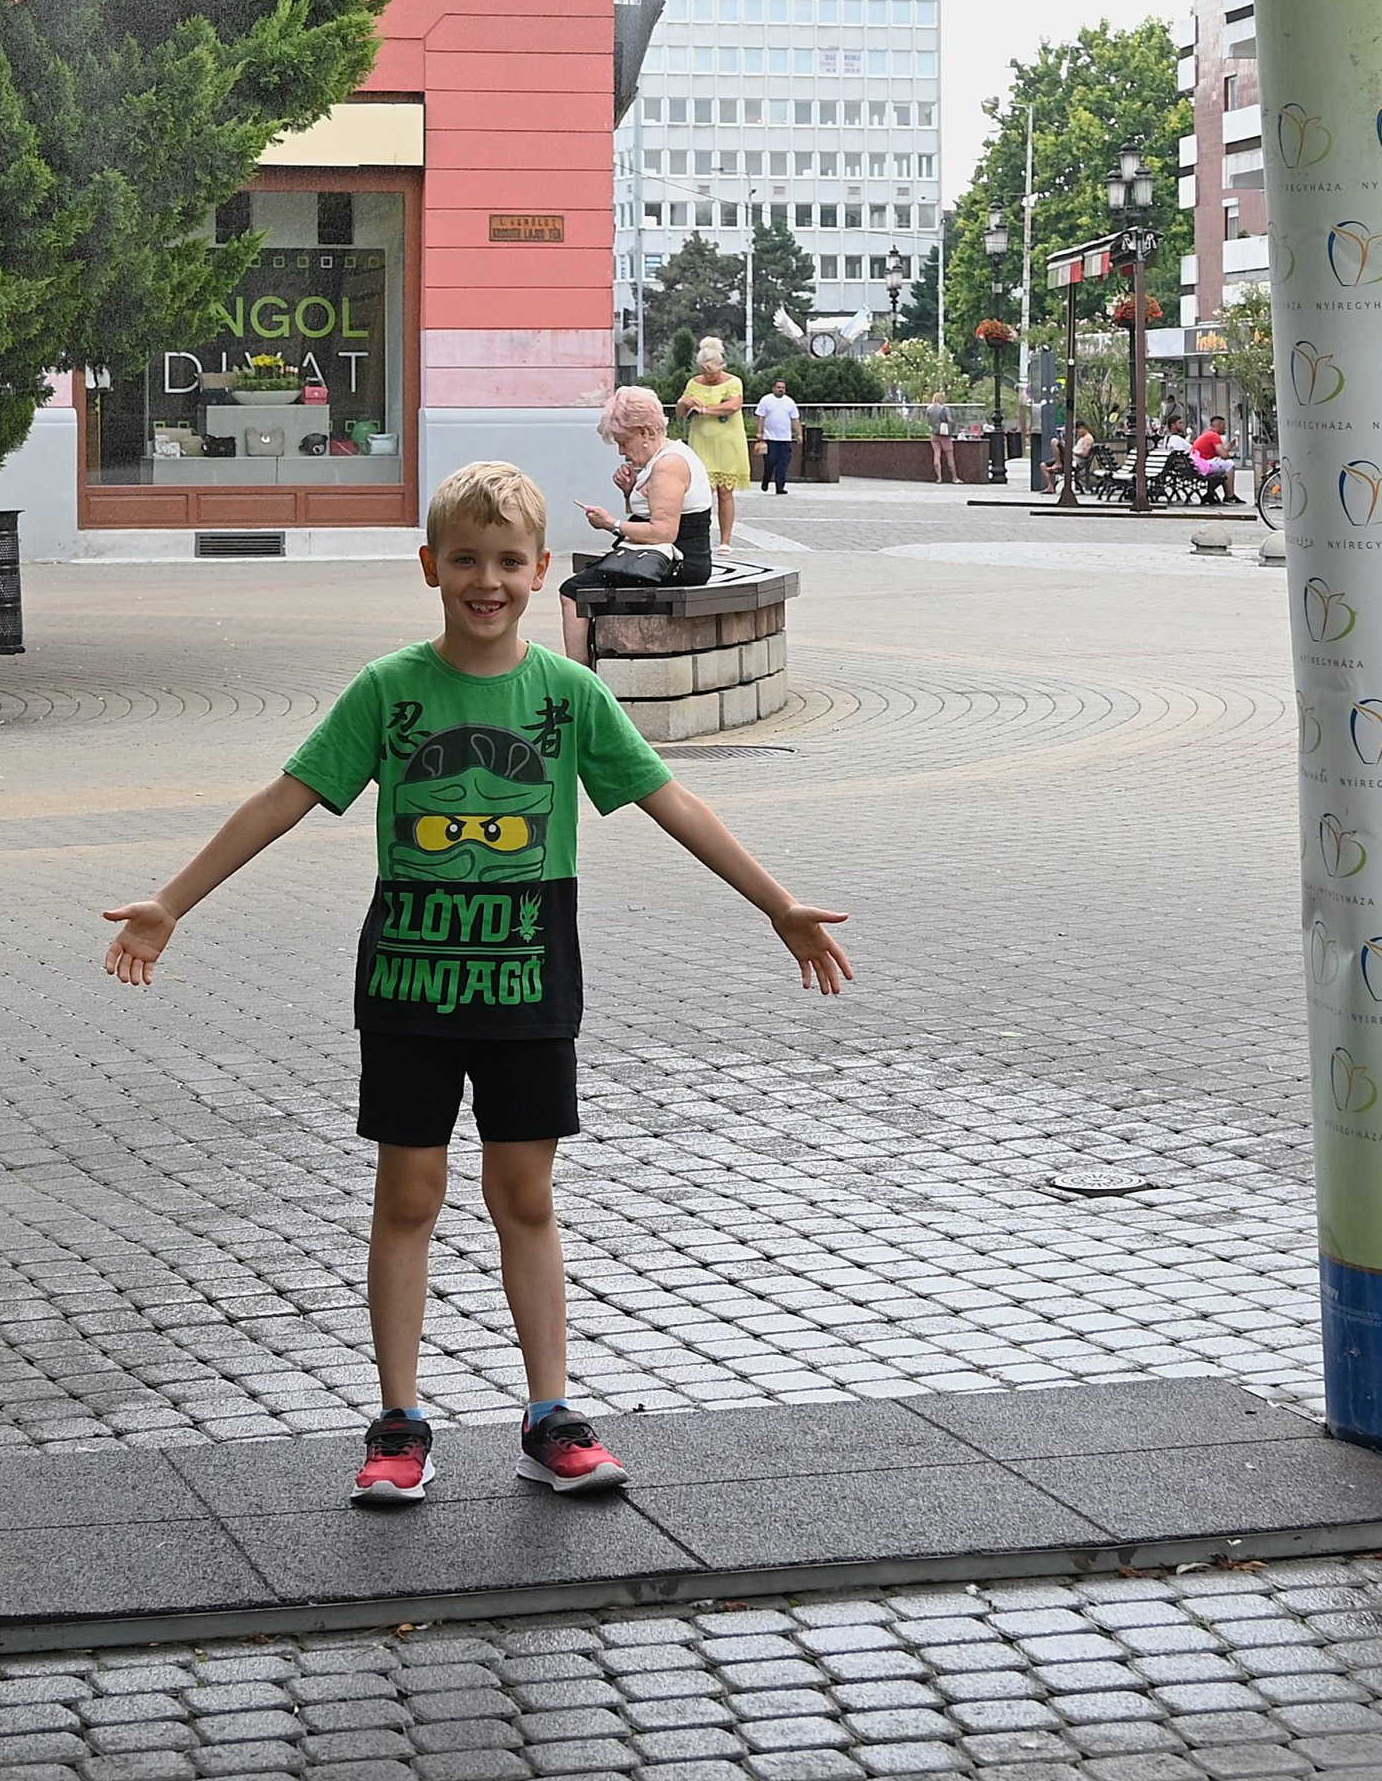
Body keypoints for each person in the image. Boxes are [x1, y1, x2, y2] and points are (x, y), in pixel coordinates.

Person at [101, 460, 853, 1509]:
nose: (485, 581)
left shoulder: (570, 697)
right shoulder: (389, 691)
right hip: (408, 986)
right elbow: (285, 797)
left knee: (525, 1196)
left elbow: (670, 799)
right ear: (430, 567)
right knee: (409, 1195)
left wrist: (776, 903)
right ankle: (399, 1422)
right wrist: (171, 901)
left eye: (507, 562)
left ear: (541, 571)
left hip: (530, 984)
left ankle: (550, 1416)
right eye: (465, 560)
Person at [560, 386, 713, 662]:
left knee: (573, 592)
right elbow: (653, 517)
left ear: (644, 432)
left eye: (623, 441)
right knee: (590, 577)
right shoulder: (667, 456)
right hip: (665, 559)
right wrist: (630, 492)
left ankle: (578, 675)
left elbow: (663, 532)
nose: (621, 451)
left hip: (676, 563)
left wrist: (612, 524)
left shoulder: (668, 465)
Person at [674, 335, 750, 548]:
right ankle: (699, 541)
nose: (708, 376)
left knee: (725, 492)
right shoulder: (693, 383)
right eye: (704, 371)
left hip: (727, 443)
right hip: (701, 443)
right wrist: (684, 401)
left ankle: (725, 541)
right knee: (700, 493)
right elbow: (680, 412)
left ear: (720, 366)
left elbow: (733, 406)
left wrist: (705, 410)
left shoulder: (733, 382)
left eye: (712, 372)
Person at [755, 377, 801, 494]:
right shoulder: (766, 400)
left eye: (783, 388)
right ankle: (766, 479)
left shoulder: (789, 402)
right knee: (770, 461)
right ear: (773, 388)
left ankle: (780, 486)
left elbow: (795, 419)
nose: (781, 390)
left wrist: (799, 434)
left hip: (785, 438)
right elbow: (761, 417)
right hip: (770, 438)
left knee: (783, 463)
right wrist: (760, 432)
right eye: (779, 387)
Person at [1190, 421, 1235, 501]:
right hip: (1203, 466)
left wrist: (1228, 448)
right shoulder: (1214, 436)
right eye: (1224, 425)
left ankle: (1210, 493)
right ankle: (1229, 495)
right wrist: (1229, 456)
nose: (1225, 428)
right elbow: (1224, 455)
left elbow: (1218, 453)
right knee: (1230, 464)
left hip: (1197, 465)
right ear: (1218, 425)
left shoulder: (1207, 434)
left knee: (1223, 466)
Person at [925, 392, 955, 483]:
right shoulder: (945, 409)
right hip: (944, 434)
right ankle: (954, 478)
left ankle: (939, 478)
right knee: (949, 455)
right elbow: (950, 420)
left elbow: (928, 421)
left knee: (937, 455)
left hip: (934, 434)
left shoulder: (929, 409)